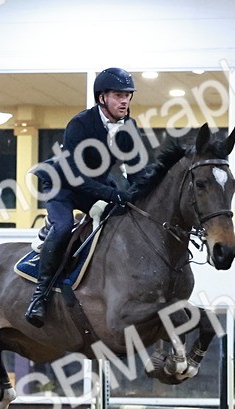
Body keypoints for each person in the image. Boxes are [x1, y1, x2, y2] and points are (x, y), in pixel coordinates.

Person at [25, 67, 146, 328]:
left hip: (96, 183)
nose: (124, 101)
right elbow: (76, 176)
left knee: (123, 216)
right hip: (63, 184)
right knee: (63, 226)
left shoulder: (130, 126)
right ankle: (39, 296)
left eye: (127, 95)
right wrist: (113, 194)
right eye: (117, 95)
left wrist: (144, 195)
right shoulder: (80, 124)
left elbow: (137, 169)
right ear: (102, 98)